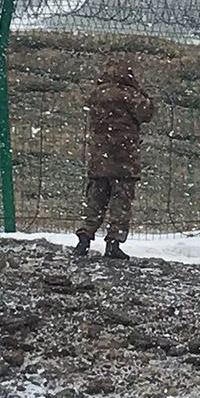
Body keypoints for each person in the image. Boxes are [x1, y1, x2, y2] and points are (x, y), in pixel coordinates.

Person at [74, 57, 154, 260]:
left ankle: (84, 239)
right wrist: (142, 92)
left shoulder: (96, 94)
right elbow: (146, 112)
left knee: (95, 200)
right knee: (121, 202)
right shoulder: (130, 94)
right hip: (123, 158)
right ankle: (113, 243)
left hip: (99, 158)